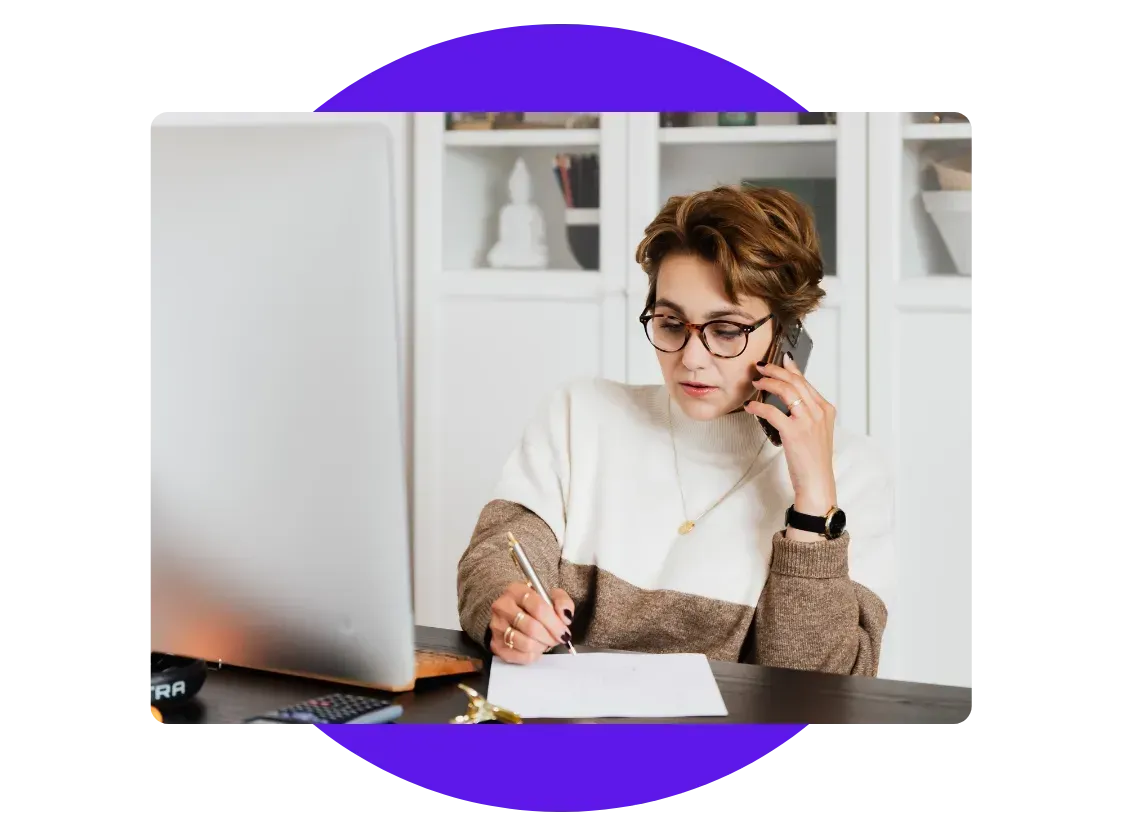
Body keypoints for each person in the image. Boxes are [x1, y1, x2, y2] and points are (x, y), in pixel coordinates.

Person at [456, 184, 895, 677]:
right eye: (670, 323)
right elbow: (495, 557)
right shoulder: (580, 415)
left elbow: (818, 686)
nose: (691, 359)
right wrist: (509, 606)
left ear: (788, 334)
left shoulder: (850, 473)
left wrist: (813, 506)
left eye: (726, 330)